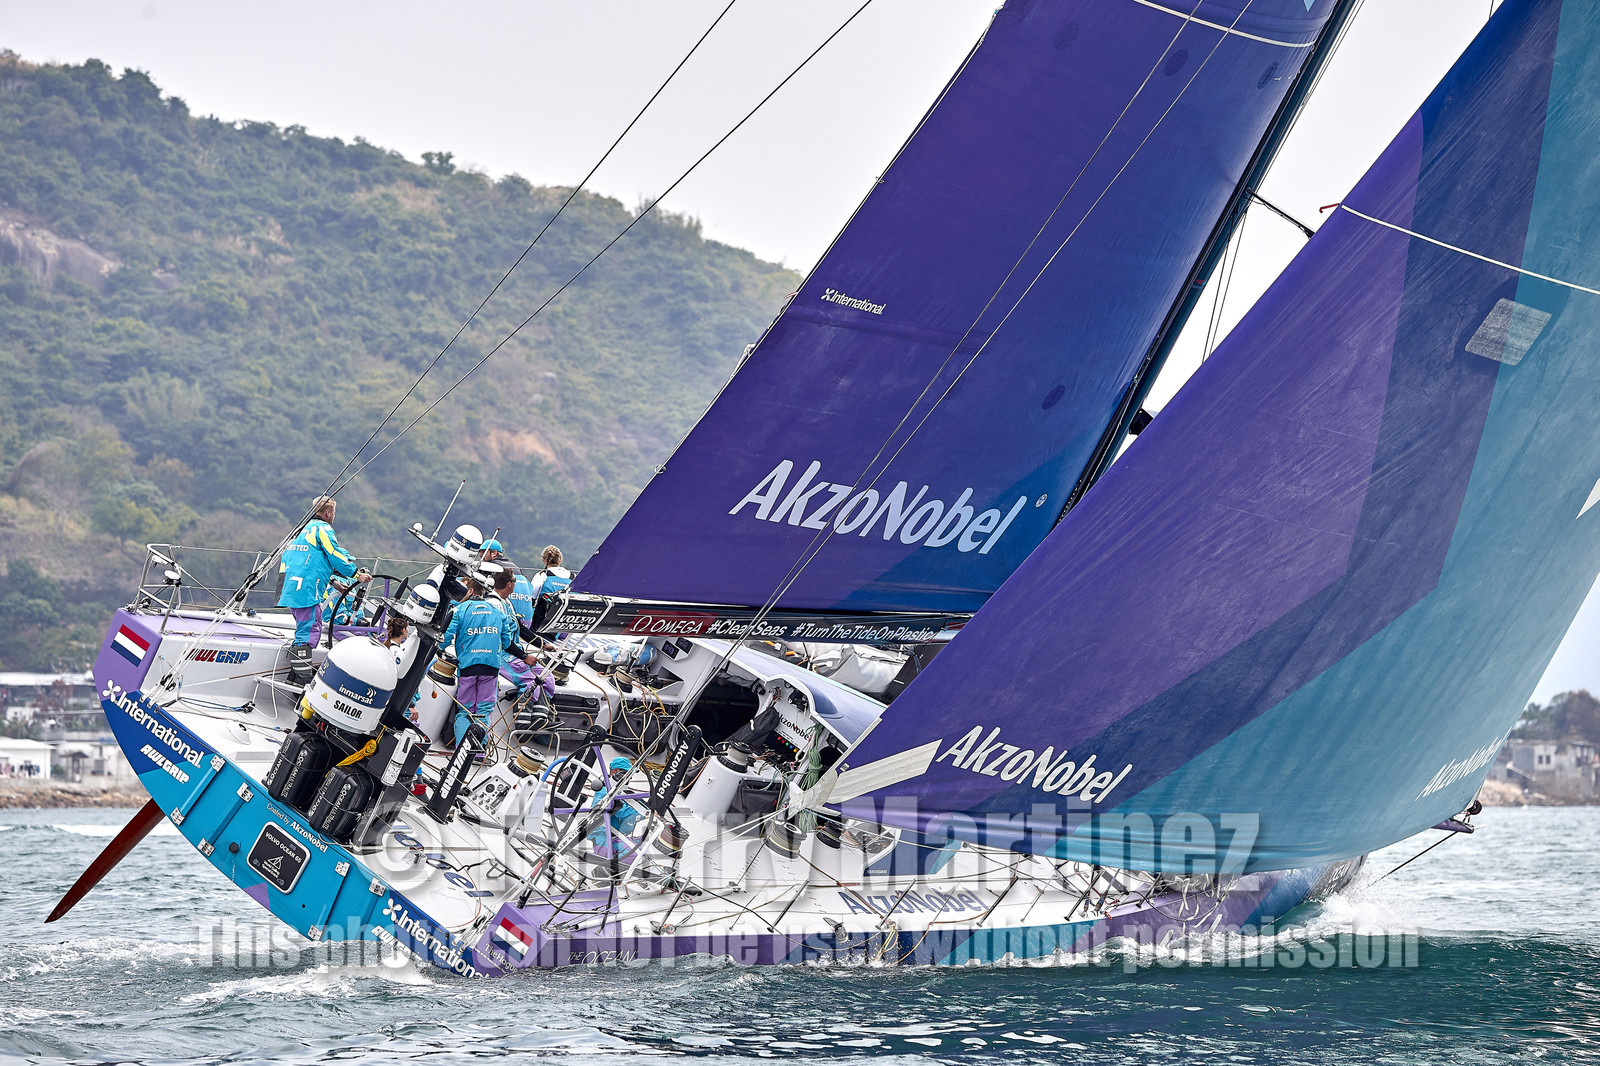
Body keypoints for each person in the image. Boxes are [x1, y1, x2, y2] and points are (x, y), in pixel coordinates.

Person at [277, 495, 370, 684]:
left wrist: (333, 581)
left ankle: (294, 676)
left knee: (312, 624)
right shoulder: (323, 528)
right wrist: (355, 574)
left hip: (290, 585)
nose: (334, 516)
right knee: (309, 628)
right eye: (334, 512)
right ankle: (301, 680)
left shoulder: (302, 529)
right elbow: (333, 553)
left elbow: (312, 559)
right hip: (306, 588)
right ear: (328, 513)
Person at [439, 571, 514, 749]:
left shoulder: (459, 610)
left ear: (471, 591)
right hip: (491, 667)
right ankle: (478, 752)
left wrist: (438, 652)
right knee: (483, 711)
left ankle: (461, 752)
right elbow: (506, 641)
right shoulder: (497, 611)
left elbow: (445, 637)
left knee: (465, 711)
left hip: (468, 666)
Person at [488, 567, 555, 701]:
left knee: (547, 677)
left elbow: (521, 629)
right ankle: (523, 720)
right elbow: (502, 640)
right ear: (509, 584)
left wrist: (542, 644)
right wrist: (524, 656)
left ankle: (541, 717)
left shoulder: (507, 602)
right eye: (514, 581)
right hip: (502, 656)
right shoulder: (494, 605)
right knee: (531, 683)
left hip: (514, 653)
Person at [527, 545, 573, 631]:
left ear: (544, 561)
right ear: (560, 560)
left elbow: (531, 596)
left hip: (542, 625)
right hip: (565, 626)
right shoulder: (572, 576)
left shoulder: (542, 575)